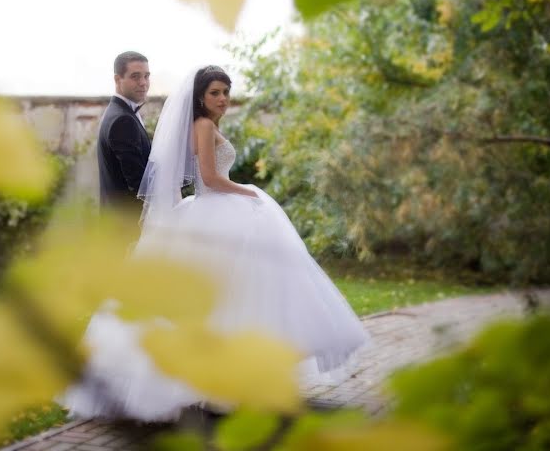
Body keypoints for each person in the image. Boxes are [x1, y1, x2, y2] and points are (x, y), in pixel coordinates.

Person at [62, 66, 370, 421]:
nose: (222, 98)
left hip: (210, 209)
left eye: (226, 91)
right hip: (215, 207)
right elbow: (209, 178)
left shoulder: (204, 125)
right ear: (200, 97)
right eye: (215, 93)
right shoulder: (204, 126)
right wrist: (247, 190)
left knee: (233, 294)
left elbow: (198, 179)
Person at [97, 51, 151, 209]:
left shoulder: (117, 112)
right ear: (117, 79)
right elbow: (139, 184)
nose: (143, 83)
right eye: (135, 76)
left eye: (146, 76)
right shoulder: (122, 120)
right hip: (127, 226)